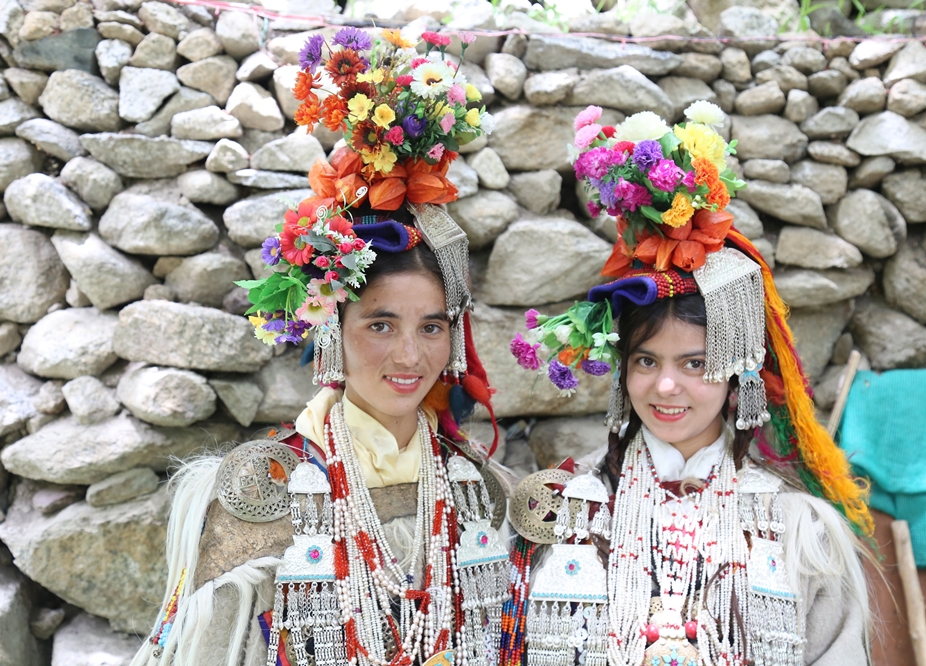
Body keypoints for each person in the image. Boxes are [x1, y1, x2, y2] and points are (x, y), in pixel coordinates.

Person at [130, 27, 511, 666]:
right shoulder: (262, 492)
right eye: (380, 325)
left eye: (432, 326)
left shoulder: (479, 485)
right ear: (331, 327)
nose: (411, 358)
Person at [503, 102, 872, 666]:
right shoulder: (559, 511)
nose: (666, 387)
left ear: (740, 372)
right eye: (646, 361)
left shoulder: (799, 531)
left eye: (696, 364)